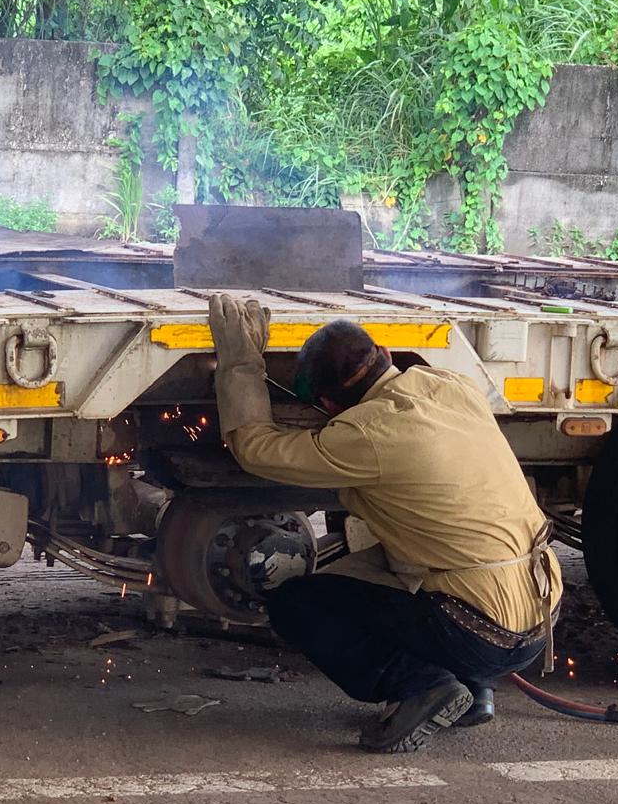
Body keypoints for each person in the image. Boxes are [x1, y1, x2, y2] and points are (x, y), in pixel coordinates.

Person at [207, 294, 563, 753]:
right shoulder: (448, 385)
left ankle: (425, 687)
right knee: (385, 561)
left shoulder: (365, 434)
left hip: (483, 635)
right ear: (387, 355)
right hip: (541, 612)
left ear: (331, 404)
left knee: (300, 604)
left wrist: (241, 359)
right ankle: (477, 688)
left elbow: (254, 449)